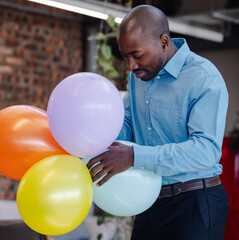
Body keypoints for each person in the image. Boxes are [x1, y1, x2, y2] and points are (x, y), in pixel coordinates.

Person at [87, 5, 229, 240]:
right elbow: (129, 124)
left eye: (137, 55)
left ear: (164, 41)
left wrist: (133, 157)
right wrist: (95, 134)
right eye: (126, 56)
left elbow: (206, 151)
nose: (131, 66)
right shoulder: (139, 76)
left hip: (195, 202)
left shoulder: (204, 78)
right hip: (149, 199)